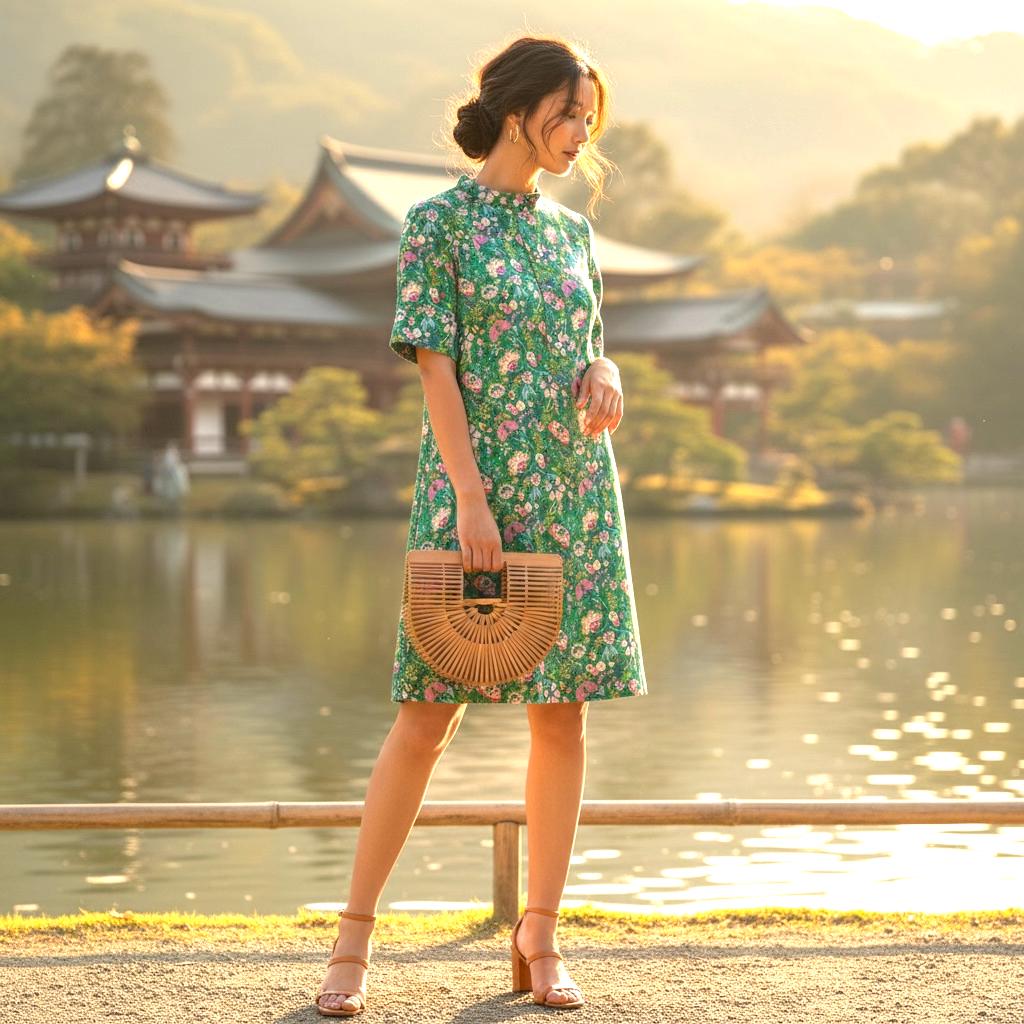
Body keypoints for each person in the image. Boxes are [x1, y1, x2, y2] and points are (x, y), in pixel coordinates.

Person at [315, 34, 648, 1017]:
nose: (581, 134)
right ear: (519, 108)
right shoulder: (439, 224)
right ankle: (352, 942)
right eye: (569, 112)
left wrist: (609, 370)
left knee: (564, 713)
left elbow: (592, 344)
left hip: (575, 493)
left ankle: (537, 936)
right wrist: (467, 493)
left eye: (590, 117)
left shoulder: (571, 234)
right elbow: (435, 367)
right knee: (426, 714)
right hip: (477, 497)